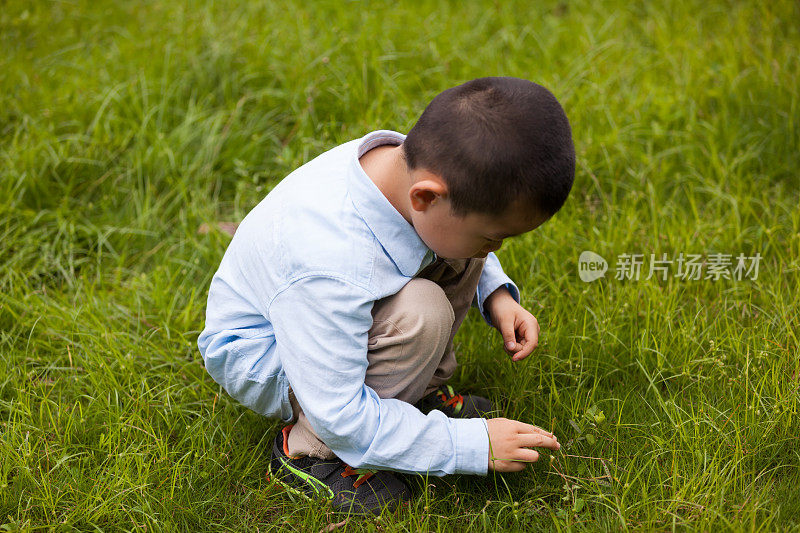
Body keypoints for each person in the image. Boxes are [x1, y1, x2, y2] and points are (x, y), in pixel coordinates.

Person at [197, 77, 574, 514]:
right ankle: (308, 449)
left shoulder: (404, 170)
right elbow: (340, 413)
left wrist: (496, 295)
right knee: (423, 312)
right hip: (273, 355)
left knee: (460, 250)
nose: (496, 250)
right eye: (494, 238)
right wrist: (471, 446)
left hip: (329, 308)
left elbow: (460, 236)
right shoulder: (329, 260)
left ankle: (411, 397)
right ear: (426, 197)